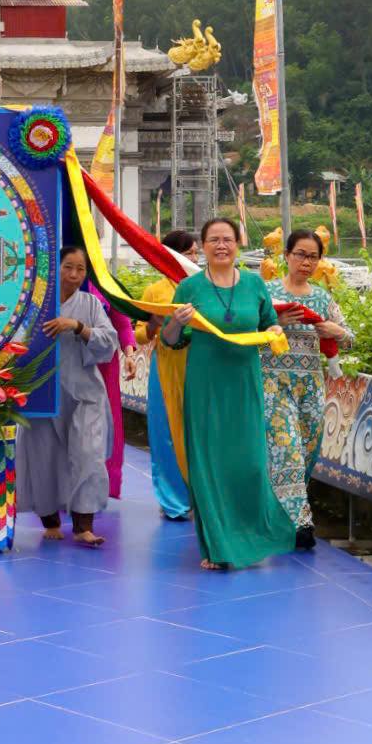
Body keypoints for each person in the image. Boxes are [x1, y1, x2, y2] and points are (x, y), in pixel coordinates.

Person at [162, 216, 293, 571]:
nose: (221, 245)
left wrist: (275, 330)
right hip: (205, 387)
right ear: (203, 246)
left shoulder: (254, 284)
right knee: (210, 465)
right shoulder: (189, 288)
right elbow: (170, 340)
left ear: (238, 244)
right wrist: (177, 322)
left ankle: (252, 536)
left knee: (249, 464)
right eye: (214, 240)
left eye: (227, 239)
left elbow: (269, 323)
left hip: (245, 384)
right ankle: (217, 545)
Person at [16, 245, 120, 547]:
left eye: (81, 269)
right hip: (42, 393)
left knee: (89, 455)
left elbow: (108, 341)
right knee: (43, 456)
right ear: (55, 268)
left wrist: (77, 327)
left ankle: (83, 525)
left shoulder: (90, 304)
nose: (74, 274)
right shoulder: (34, 301)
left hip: (85, 393)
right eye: (68, 267)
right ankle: (50, 520)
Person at [264, 229, 353, 551]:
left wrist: (335, 330)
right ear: (286, 255)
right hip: (273, 383)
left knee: (305, 452)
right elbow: (246, 329)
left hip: (312, 386)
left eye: (313, 257)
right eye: (300, 254)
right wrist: (277, 324)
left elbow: (349, 338)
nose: (306, 262)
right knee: (285, 448)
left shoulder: (323, 299)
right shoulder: (267, 293)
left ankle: (280, 516)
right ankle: (301, 523)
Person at [135, 229, 196, 521]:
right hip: (166, 367)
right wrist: (152, 325)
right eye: (187, 252)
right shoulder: (155, 291)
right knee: (166, 434)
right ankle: (174, 501)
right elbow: (139, 334)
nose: (193, 258)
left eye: (195, 252)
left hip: (201, 366)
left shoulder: (205, 287)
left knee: (198, 433)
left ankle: (203, 498)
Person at [97, 295, 138, 499]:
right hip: (69, 361)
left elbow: (122, 324)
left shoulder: (106, 285)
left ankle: (103, 481)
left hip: (104, 364)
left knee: (107, 420)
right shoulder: (58, 282)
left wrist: (129, 355)